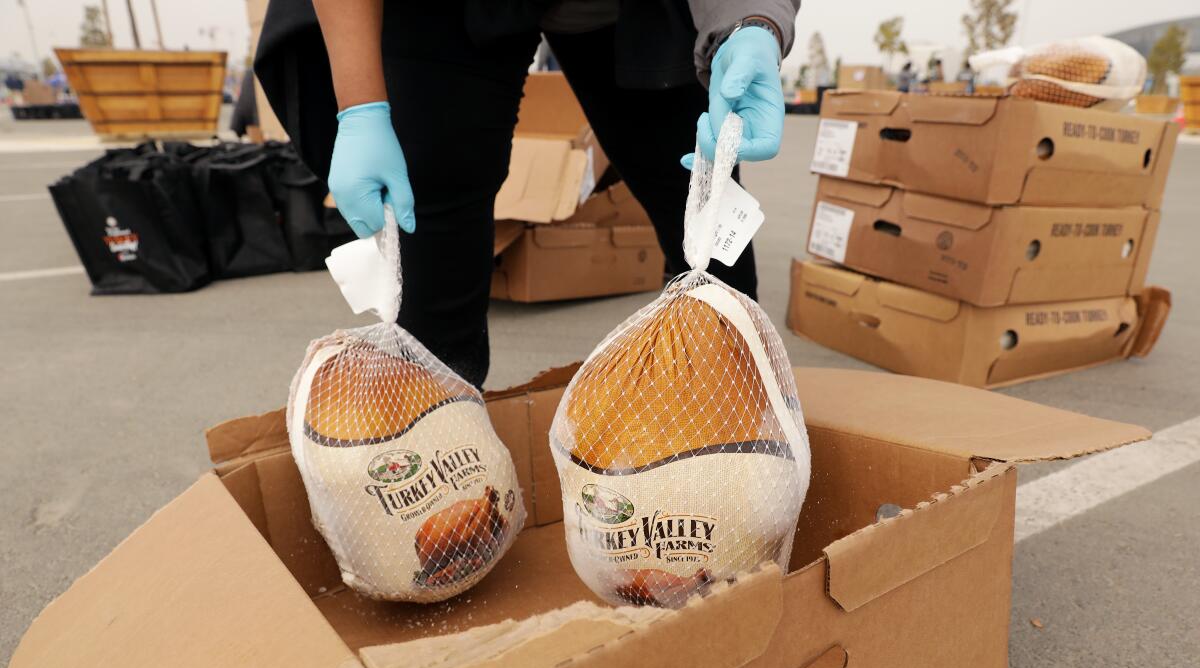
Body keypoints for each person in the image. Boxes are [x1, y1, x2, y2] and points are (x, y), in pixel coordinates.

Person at [255, 1, 800, 387]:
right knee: (431, 226)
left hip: (619, 8)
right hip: (451, 11)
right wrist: (361, 107)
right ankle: (441, 467)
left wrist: (749, 23)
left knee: (703, 209)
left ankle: (728, 431)